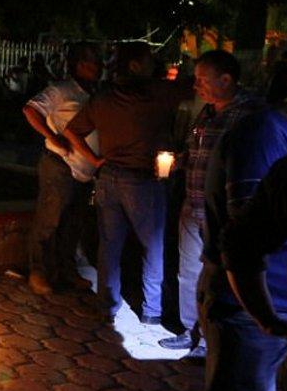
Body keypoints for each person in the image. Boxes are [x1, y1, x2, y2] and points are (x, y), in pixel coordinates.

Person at [184, 107, 287, 391]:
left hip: (269, 309)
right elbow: (242, 236)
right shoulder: (265, 130)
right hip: (251, 309)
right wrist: (265, 317)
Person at [65, 41, 192, 325]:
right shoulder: (156, 93)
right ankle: (151, 310)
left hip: (108, 177)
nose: (153, 65)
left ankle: (107, 305)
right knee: (153, 245)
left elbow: (72, 131)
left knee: (110, 246)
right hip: (142, 181)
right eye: (149, 60)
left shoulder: (103, 98)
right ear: (135, 65)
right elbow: (191, 87)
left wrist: (95, 160)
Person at [160, 50, 264, 354]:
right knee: (189, 272)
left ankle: (209, 339)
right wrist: (177, 162)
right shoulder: (207, 112)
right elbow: (195, 151)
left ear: (226, 79)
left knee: (216, 277)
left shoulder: (249, 116)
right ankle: (190, 330)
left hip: (222, 213)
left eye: (202, 80)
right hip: (193, 206)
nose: (196, 86)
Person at [22, 42, 102, 295]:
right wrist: (52, 136)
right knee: (50, 220)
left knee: (73, 224)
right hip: (61, 165)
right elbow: (31, 110)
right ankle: (38, 271)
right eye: (91, 61)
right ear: (78, 64)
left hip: (84, 171)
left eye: (98, 61)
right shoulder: (62, 90)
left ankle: (67, 270)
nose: (97, 66)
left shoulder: (95, 93)